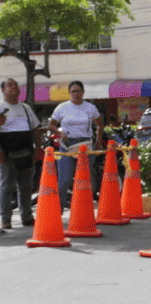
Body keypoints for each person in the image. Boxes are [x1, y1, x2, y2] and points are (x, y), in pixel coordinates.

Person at [48, 80, 102, 209]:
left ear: (83, 92)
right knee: (64, 181)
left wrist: (98, 142)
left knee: (83, 181)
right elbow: (51, 125)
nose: (76, 94)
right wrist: (60, 133)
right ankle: (57, 213)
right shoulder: (62, 107)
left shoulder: (90, 107)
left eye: (78, 91)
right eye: (73, 91)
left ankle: (83, 212)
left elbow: (100, 125)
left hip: (86, 146)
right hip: (67, 146)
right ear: (69, 93)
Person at [0, 78, 42, 229]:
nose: (14, 87)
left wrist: (38, 148)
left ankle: (27, 217)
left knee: (26, 187)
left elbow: (36, 128)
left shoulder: (25, 107)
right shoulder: (0, 107)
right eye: (9, 85)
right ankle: (6, 219)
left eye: (16, 85)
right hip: (8, 154)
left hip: (26, 153)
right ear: (3, 90)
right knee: (7, 187)